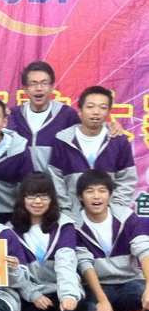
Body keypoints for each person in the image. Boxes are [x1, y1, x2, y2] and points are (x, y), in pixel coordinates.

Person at [10, 172, 104, 311]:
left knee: (76, 306)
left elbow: (66, 264)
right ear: (22, 198)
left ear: (52, 198)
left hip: (62, 287)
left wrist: (69, 295)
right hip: (35, 294)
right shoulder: (11, 230)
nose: (37, 202)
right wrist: (33, 295)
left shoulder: (64, 225)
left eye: (43, 196)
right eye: (31, 196)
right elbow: (17, 274)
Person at [75, 170, 149, 311]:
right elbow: (84, 263)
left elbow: (144, 250)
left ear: (110, 194)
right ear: (80, 196)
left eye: (102, 190)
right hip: (96, 287)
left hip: (128, 283)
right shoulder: (75, 225)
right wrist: (102, 300)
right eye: (90, 191)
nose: (96, 196)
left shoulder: (127, 217)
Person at [50, 85, 136, 219]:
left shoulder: (119, 141)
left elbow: (127, 179)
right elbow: (56, 179)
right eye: (90, 107)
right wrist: (66, 212)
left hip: (108, 219)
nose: (96, 112)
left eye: (103, 108)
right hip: (72, 218)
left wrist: (115, 211)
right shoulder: (63, 140)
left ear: (109, 112)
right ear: (80, 110)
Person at [7, 61, 80, 171]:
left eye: (44, 83)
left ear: (52, 86)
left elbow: (80, 147)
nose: (39, 88)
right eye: (33, 83)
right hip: (23, 181)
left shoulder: (67, 114)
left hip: (55, 181)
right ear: (25, 88)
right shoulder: (14, 115)